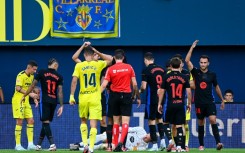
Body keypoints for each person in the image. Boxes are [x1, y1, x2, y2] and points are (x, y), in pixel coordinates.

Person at [69, 45, 113, 153]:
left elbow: (74, 81)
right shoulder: (98, 64)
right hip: (95, 97)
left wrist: (71, 96)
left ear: (84, 55)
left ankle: (85, 145)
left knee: (83, 121)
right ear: (93, 55)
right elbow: (111, 59)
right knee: (93, 124)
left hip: (83, 97)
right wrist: (96, 50)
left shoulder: (79, 65)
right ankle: (91, 148)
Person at [185, 40, 225, 150]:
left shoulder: (212, 75)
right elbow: (187, 60)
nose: (203, 64)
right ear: (199, 63)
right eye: (201, 62)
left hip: (210, 102)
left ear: (208, 63)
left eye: (205, 62)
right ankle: (201, 145)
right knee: (201, 123)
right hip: (198, 102)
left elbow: (216, 87)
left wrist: (222, 99)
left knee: (213, 120)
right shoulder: (195, 72)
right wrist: (192, 47)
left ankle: (218, 143)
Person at [100, 49, 141, 152]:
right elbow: (135, 84)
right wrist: (138, 97)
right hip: (126, 95)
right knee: (125, 122)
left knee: (116, 121)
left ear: (114, 58)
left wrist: (96, 95)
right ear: (123, 58)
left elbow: (104, 85)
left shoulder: (110, 69)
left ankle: (114, 144)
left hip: (114, 96)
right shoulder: (129, 67)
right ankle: (121, 144)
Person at [21, 58, 64, 151]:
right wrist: (61, 105)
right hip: (54, 101)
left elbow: (32, 85)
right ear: (55, 65)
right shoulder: (59, 76)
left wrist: (25, 95)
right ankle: (39, 145)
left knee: (45, 122)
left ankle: (52, 144)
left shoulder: (42, 72)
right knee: (46, 122)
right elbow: (60, 91)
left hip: (44, 100)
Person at [72, 41, 110, 134]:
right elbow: (74, 58)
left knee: (102, 120)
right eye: (95, 55)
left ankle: (103, 141)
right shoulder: (82, 65)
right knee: (88, 120)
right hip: (88, 95)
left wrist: (98, 52)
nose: (96, 57)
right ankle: (92, 141)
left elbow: (110, 59)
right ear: (92, 56)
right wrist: (83, 46)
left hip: (98, 95)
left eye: (97, 56)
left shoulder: (100, 65)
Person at [158, 57, 192, 152]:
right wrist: (189, 103)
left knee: (165, 123)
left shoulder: (166, 76)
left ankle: (170, 140)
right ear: (180, 65)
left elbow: (162, 91)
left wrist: (159, 103)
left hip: (169, 104)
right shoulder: (185, 77)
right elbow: (189, 92)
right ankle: (179, 147)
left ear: (171, 66)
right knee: (179, 125)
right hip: (181, 104)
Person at [139, 52, 167, 151]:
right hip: (162, 98)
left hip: (152, 99)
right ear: (153, 59)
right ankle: (163, 141)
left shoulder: (146, 70)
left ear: (145, 60)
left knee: (151, 121)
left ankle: (155, 144)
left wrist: (139, 91)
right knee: (160, 119)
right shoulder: (163, 70)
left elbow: (144, 86)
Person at [12, 60, 38, 150]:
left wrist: (34, 98)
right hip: (18, 100)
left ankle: (30, 144)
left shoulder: (32, 76)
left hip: (26, 101)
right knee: (19, 121)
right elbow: (18, 88)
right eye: (34, 69)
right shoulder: (21, 75)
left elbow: (31, 88)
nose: (35, 71)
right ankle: (17, 145)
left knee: (31, 120)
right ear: (29, 67)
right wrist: (30, 94)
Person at [171, 54, 195, 152]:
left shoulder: (187, 74)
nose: (180, 64)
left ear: (182, 63)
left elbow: (193, 86)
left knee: (185, 123)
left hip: (184, 101)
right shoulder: (169, 73)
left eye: (181, 62)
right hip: (172, 102)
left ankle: (185, 144)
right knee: (173, 125)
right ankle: (175, 145)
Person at [70, 126, 150, 151]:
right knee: (103, 136)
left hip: (120, 145)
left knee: (103, 146)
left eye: (150, 137)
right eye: (149, 134)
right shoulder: (141, 130)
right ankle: (80, 144)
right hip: (118, 136)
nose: (147, 136)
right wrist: (116, 131)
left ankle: (79, 149)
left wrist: (122, 147)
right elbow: (127, 129)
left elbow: (132, 149)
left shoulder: (144, 147)